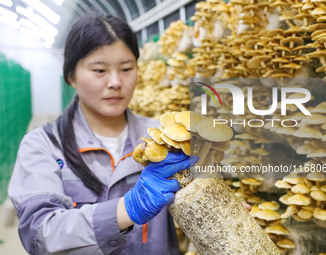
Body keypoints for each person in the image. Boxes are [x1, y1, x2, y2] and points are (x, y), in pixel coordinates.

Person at [8, 15, 198, 255]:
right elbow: (39, 234)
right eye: (100, 70)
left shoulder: (166, 139)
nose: (116, 82)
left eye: (127, 68)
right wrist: (128, 209)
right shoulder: (43, 145)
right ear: (71, 76)